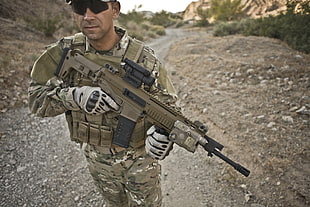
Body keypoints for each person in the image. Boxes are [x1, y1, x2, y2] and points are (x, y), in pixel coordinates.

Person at [28, 0, 178, 206]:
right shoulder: (64, 52)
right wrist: (74, 96)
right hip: (98, 160)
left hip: (141, 161)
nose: (88, 16)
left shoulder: (144, 59)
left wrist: (162, 133)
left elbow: (170, 109)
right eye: (80, 8)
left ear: (115, 10)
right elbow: (36, 100)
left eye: (97, 6)